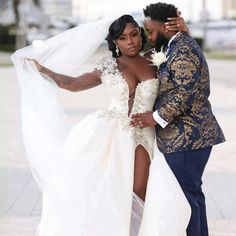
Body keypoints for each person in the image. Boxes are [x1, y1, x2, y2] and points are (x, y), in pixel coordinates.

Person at [12, 14, 190, 236]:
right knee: (109, 190)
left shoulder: (155, 61)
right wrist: (43, 70)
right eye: (123, 38)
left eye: (134, 34)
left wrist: (185, 30)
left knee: (139, 190)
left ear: (140, 35)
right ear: (115, 42)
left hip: (145, 133)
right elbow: (73, 84)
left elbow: (183, 60)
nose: (131, 41)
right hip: (110, 133)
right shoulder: (109, 66)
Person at [131, 3, 226, 236]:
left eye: (151, 31)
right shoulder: (174, 45)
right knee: (192, 195)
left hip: (188, 137)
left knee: (185, 198)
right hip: (186, 137)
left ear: (167, 26)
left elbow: (185, 94)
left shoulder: (183, 49)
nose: (149, 37)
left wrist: (154, 118)